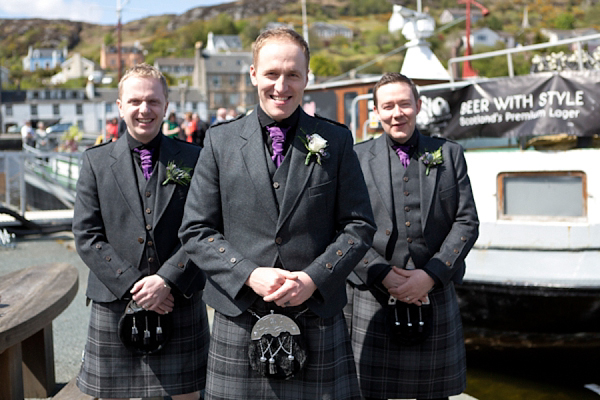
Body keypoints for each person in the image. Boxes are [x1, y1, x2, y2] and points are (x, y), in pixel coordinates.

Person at [179, 27, 376, 400]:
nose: (281, 86)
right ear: (253, 73)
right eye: (271, 73)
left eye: (293, 75)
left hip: (316, 313)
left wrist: (313, 278)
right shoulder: (220, 141)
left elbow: (359, 226)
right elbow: (195, 230)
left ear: (306, 77)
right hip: (239, 314)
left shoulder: (334, 140)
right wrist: (248, 274)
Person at [72, 63, 210, 400]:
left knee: (187, 396)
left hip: (178, 297)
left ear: (166, 105)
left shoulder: (195, 158)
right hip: (115, 299)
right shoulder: (95, 161)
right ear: (119, 105)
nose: (143, 109)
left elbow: (206, 227)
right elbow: (87, 236)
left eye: (152, 101)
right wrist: (134, 285)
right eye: (134, 101)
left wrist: (165, 281)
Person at [344, 72, 479, 400]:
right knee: (364, 393)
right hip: (370, 294)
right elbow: (342, 226)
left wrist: (432, 275)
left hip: (433, 290)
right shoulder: (355, 157)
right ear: (375, 112)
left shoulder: (449, 153)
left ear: (418, 106)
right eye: (387, 106)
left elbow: (466, 222)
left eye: (404, 104)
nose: (396, 113)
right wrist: (382, 274)